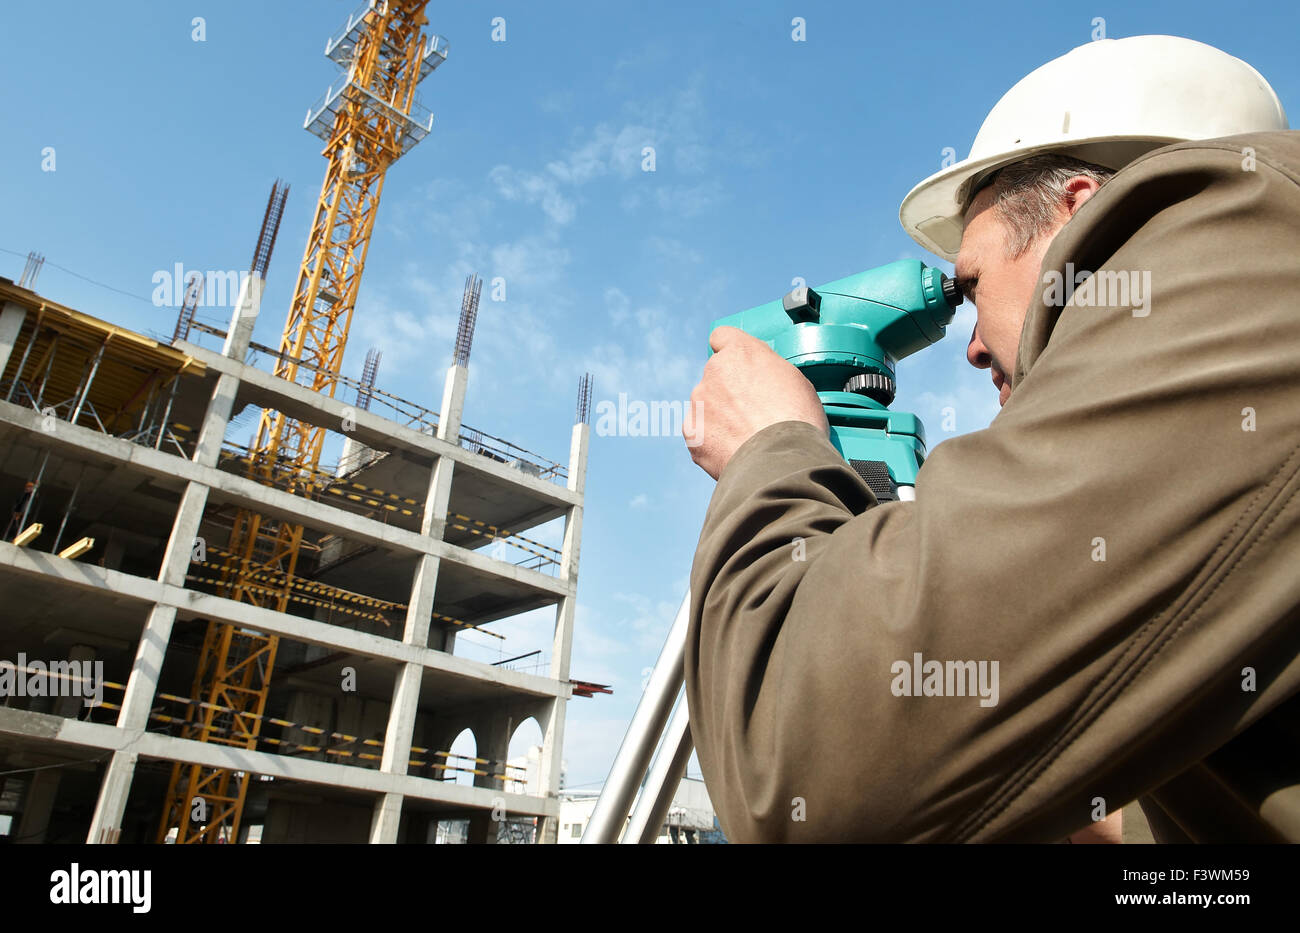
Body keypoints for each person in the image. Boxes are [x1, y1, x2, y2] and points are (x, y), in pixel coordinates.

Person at [681, 35, 1300, 843]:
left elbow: (800, 776)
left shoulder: (1242, 256)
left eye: (972, 284)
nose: (971, 344)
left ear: (1080, 209)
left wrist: (772, 449)